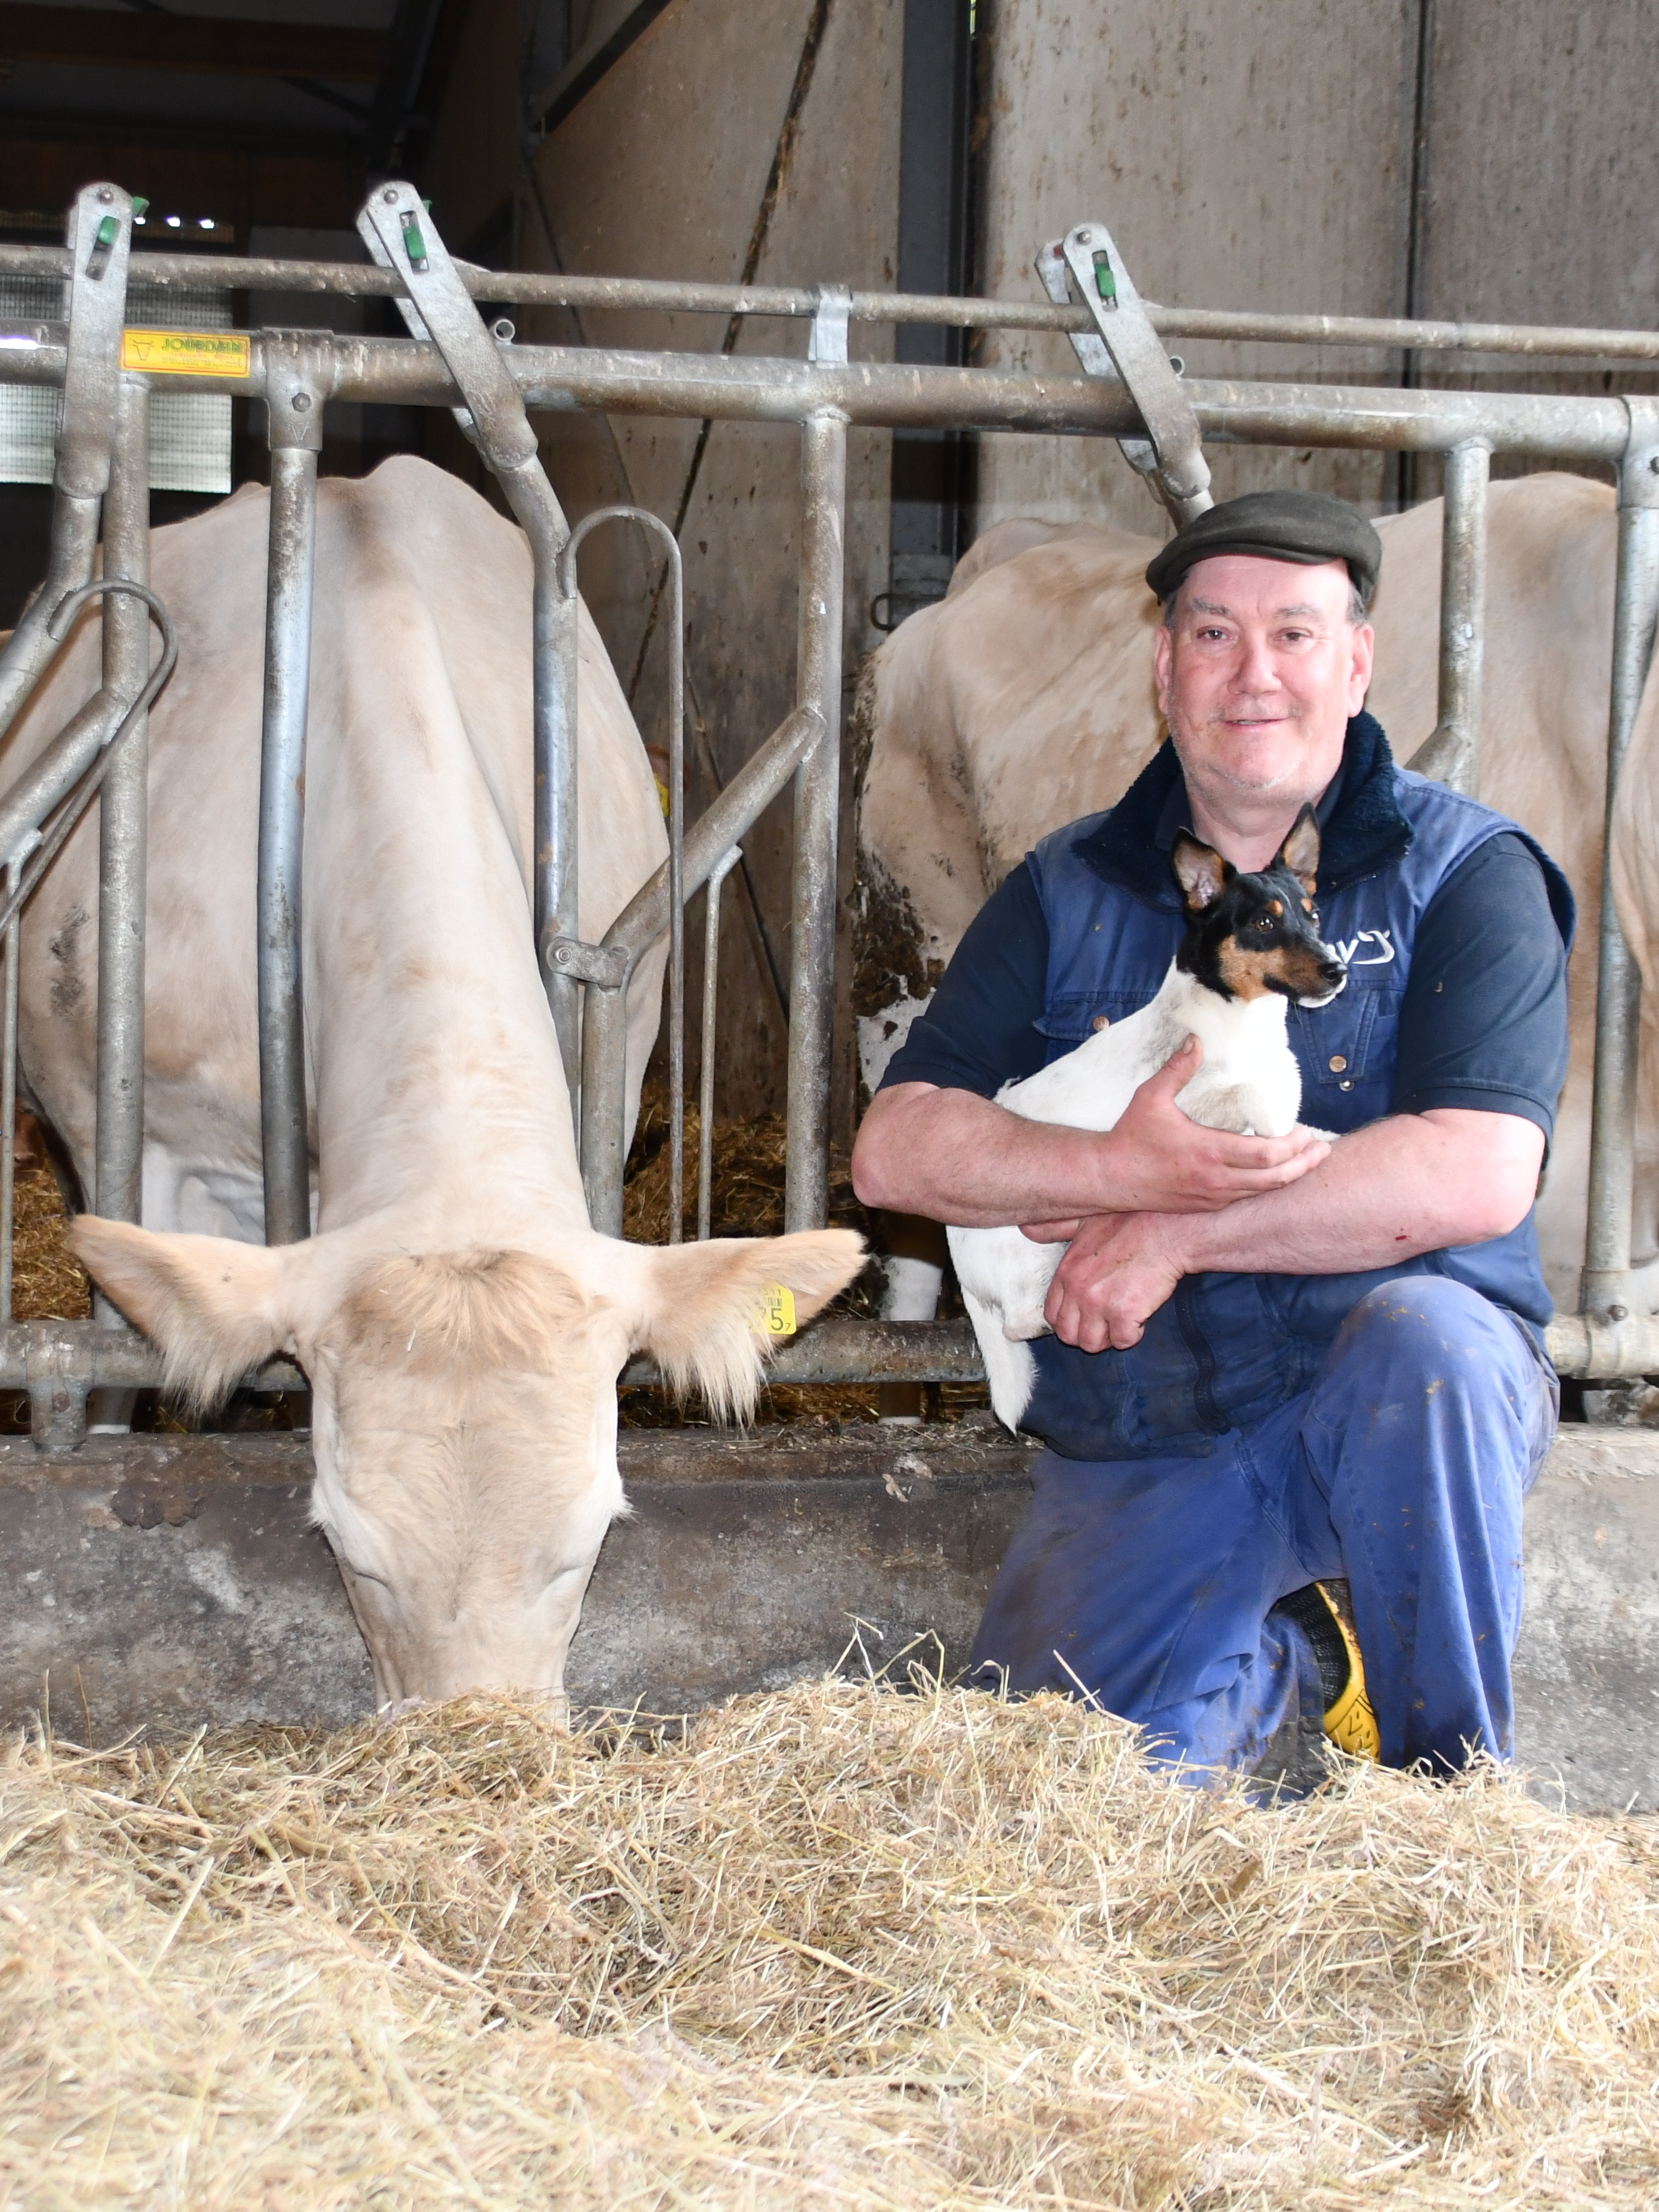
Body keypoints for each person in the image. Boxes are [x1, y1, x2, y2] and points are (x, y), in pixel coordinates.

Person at [851, 489, 1573, 1788]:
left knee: (1431, 1345)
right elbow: (896, 1151)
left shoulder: (1467, 873)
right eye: (1213, 634)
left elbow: (1477, 1167)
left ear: (1357, 662)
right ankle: (1296, 1646)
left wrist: (1176, 1229)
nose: (1254, 675)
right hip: (1159, 1422)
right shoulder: (1068, 887)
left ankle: (1453, 1799)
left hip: (1393, 1393)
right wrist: (1112, 1169)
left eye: (1296, 634)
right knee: (1049, 1813)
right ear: (1162, 669)